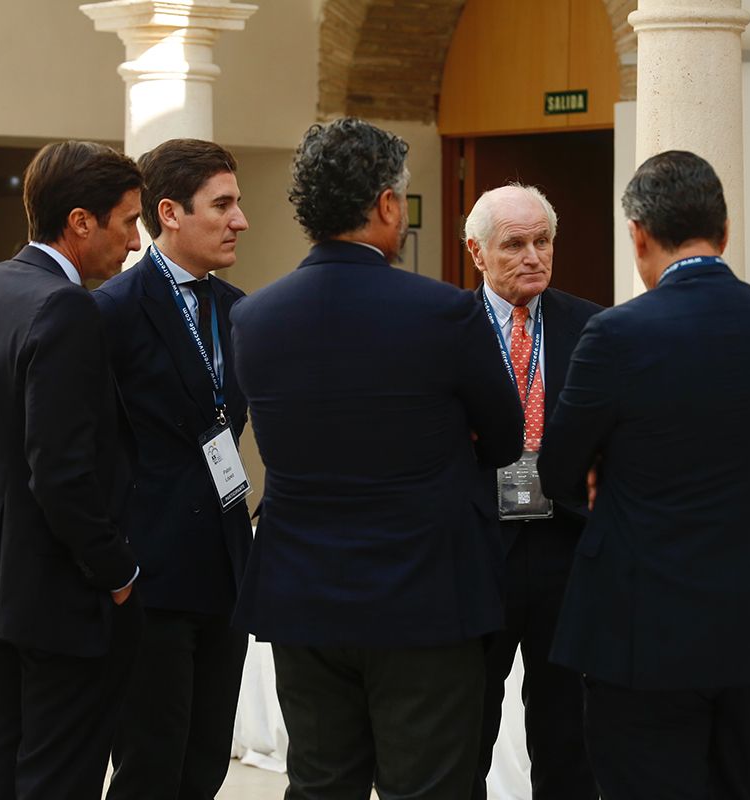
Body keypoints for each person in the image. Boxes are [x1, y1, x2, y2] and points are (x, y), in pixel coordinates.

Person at [230, 117, 524, 799]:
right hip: (424, 590)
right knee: (427, 785)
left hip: (302, 589)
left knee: (321, 781)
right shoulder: (445, 313)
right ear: (388, 204)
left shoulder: (255, 317)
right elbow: (505, 440)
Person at [538, 150, 750, 799]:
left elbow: (558, 468)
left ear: (637, 236)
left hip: (643, 624)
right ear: (724, 233)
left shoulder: (614, 333)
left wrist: (602, 473)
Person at [0, 140, 144, 798]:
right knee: (57, 775)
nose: (133, 241)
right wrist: (116, 570)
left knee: (1, 760)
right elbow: (62, 469)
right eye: (128, 221)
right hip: (56, 594)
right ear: (80, 222)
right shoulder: (65, 308)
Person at [95, 138, 253, 800]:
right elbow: (86, 447)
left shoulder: (238, 308)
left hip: (225, 567)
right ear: (170, 212)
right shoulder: (112, 310)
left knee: (206, 759)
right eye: (223, 204)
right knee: (150, 764)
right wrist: (113, 565)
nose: (239, 220)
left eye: (237, 203)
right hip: (149, 576)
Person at [464, 184, 601, 800]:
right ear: (478, 253)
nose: (532, 257)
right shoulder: (450, 328)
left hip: (565, 545)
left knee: (567, 732)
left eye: (542, 241)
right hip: (478, 544)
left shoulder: (592, 326)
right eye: (513, 244)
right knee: (464, 729)